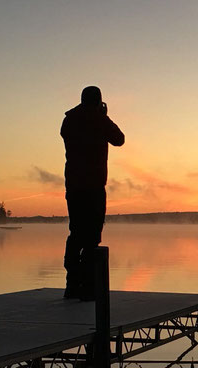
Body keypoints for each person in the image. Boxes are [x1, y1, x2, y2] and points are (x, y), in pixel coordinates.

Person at [61, 86, 125, 300]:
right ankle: (87, 288)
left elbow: (66, 133)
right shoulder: (99, 120)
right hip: (94, 186)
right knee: (92, 237)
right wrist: (103, 115)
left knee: (76, 233)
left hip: (74, 186)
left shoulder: (69, 120)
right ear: (98, 101)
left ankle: (72, 284)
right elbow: (119, 139)